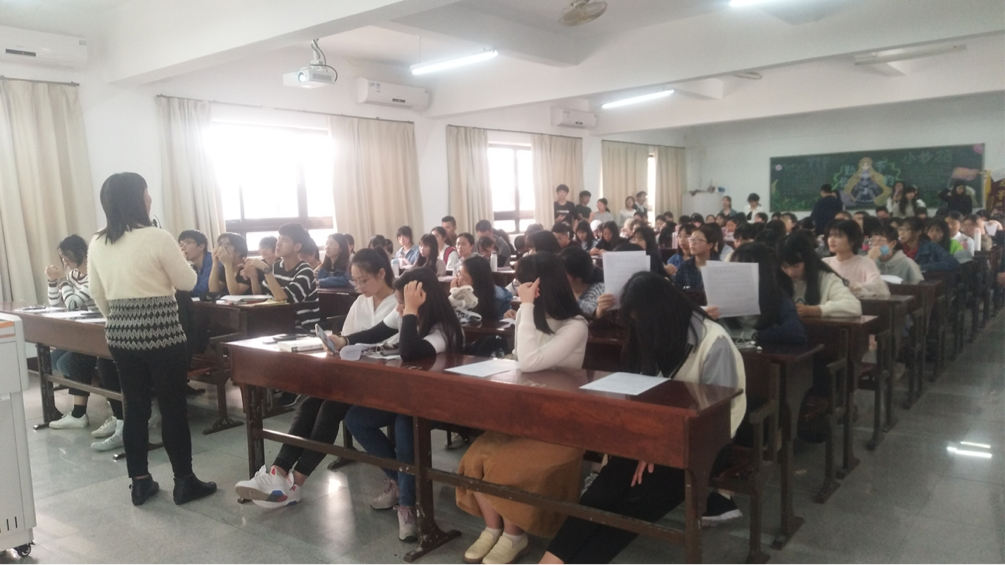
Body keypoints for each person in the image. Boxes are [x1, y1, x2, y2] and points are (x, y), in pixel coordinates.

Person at [541, 272, 746, 565]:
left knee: (638, 500)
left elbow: (715, 419)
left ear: (661, 315)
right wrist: (645, 443)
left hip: (706, 441)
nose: (640, 331)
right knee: (608, 483)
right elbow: (645, 392)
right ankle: (552, 560)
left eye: (642, 323)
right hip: (657, 432)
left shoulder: (714, 343)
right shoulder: (655, 334)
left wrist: (660, 447)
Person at [87, 172, 216, 506]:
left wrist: (120, 318)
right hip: (162, 335)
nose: (150, 198)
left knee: (135, 409)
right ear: (137, 198)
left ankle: (140, 483)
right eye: (147, 192)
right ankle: (184, 482)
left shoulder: (98, 241)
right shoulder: (157, 237)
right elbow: (187, 282)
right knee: (173, 409)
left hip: (120, 334)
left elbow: (96, 292)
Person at [234, 249, 395, 508]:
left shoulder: (398, 303)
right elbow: (346, 339)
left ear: (382, 273)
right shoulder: (360, 302)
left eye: (363, 280)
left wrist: (352, 346)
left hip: (383, 381)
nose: (359, 286)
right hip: (353, 376)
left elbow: (392, 347)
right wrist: (335, 345)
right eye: (355, 281)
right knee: (309, 403)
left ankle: (295, 483)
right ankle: (278, 472)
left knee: (330, 409)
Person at [457, 253, 588, 565]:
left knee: (506, 468)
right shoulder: (531, 318)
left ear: (541, 287)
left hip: (559, 426)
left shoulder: (575, 325)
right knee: (474, 459)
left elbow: (530, 362)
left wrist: (525, 307)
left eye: (523, 284)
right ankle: (493, 529)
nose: (518, 289)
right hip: (523, 417)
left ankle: (515, 536)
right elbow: (518, 357)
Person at [338, 268, 465, 542]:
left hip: (437, 403)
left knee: (404, 425)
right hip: (404, 396)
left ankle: (407, 505)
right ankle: (401, 479)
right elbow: (376, 332)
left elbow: (409, 351)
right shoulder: (405, 313)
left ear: (422, 300)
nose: (397, 309)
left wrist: (410, 311)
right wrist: (345, 341)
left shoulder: (443, 329)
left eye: (402, 303)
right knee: (356, 419)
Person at [45, 235, 104, 433]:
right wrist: (52, 282)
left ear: (81, 252)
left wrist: (62, 280)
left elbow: (72, 304)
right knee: (54, 360)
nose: (65, 261)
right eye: (62, 257)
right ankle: (88, 402)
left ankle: (80, 413)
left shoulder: (95, 273)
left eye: (67, 256)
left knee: (71, 362)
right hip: (87, 330)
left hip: (102, 329)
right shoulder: (73, 276)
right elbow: (57, 305)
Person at [706, 242, 807, 345]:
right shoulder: (722, 295)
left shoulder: (778, 297)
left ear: (762, 272)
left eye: (747, 269)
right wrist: (708, 319)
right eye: (735, 268)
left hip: (761, 352)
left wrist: (756, 336)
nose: (740, 275)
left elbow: (795, 332)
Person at [244, 223, 321, 333]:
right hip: (281, 324)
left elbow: (283, 298)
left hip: (303, 330)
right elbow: (261, 295)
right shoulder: (277, 266)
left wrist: (266, 269)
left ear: (297, 247)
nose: (278, 244)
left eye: (284, 240)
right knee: (249, 327)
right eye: (278, 239)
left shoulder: (305, 271)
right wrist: (253, 278)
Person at [776, 232, 862, 318]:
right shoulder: (776, 280)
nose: (791, 272)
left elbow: (854, 306)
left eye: (796, 266)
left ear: (808, 260)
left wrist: (815, 310)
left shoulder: (826, 279)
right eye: (785, 267)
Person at [822, 220, 890, 298]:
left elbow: (880, 288)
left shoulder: (865, 263)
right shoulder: (825, 263)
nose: (832, 240)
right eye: (830, 236)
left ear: (852, 240)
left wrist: (854, 288)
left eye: (838, 236)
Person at [451, 254, 513, 321]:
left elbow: (505, 323)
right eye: (459, 274)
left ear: (477, 281)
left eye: (464, 278)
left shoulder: (499, 299)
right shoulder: (459, 292)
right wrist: (455, 294)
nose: (458, 279)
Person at [559, 246, 612, 319]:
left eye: (563, 272)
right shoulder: (560, 288)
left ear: (577, 275)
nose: (558, 274)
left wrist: (571, 295)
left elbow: (591, 314)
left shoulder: (599, 291)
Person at [673, 224, 722, 290]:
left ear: (709, 245)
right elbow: (676, 290)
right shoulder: (685, 266)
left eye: (697, 240)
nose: (692, 243)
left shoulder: (719, 268)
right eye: (691, 239)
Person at [178, 229, 212, 296]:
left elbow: (202, 290)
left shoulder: (212, 260)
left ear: (201, 247)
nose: (183, 248)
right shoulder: (194, 267)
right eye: (181, 244)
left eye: (187, 243)